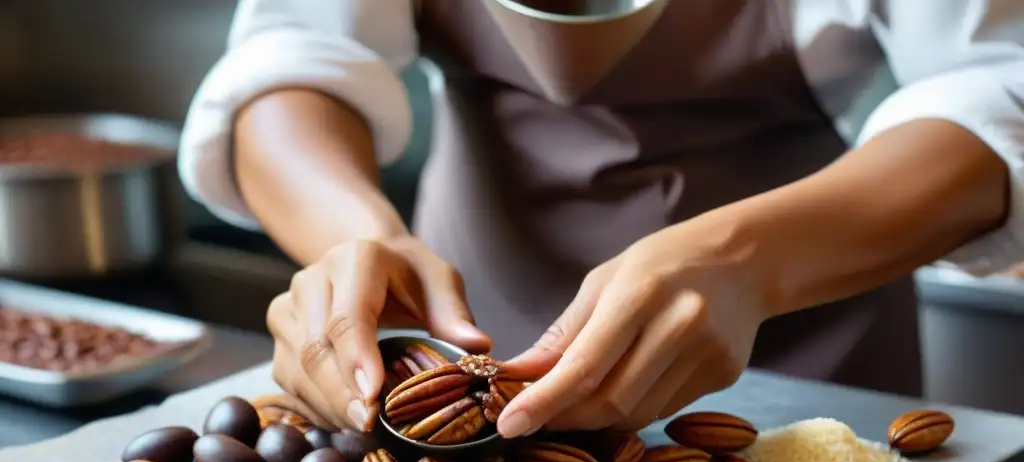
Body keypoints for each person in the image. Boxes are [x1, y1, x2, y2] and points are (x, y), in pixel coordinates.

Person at [179, 0, 1024, 438]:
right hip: (471, 337)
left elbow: (998, 87)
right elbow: (293, 53)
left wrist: (747, 261)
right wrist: (356, 238)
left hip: (811, 337)